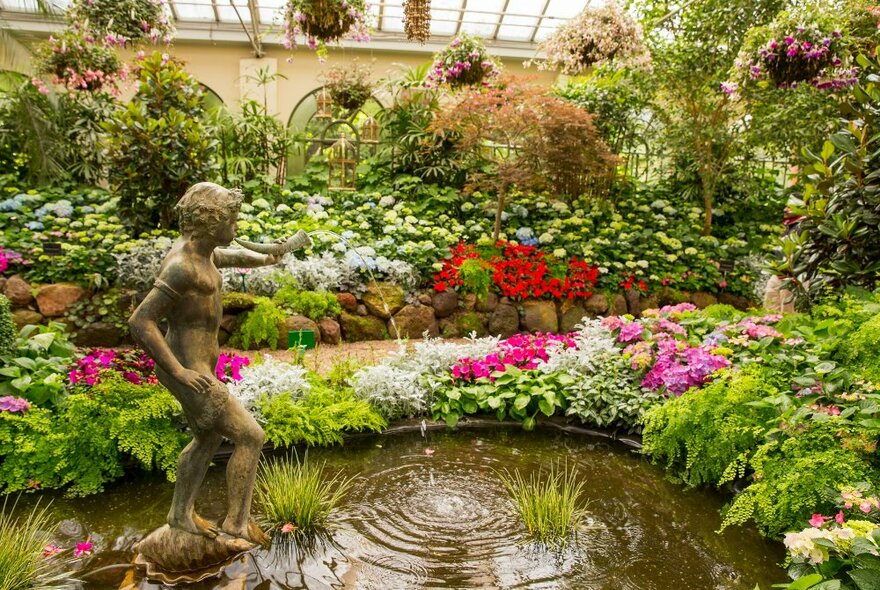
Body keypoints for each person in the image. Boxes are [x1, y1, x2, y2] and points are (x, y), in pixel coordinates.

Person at [129, 182, 280, 548]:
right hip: (189, 371)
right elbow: (140, 321)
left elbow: (226, 259)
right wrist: (179, 372)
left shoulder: (201, 253)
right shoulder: (182, 267)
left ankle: (179, 515)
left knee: (207, 438)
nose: (237, 228)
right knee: (251, 436)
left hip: (195, 369)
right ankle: (236, 523)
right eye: (233, 220)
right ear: (212, 222)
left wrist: (266, 257)